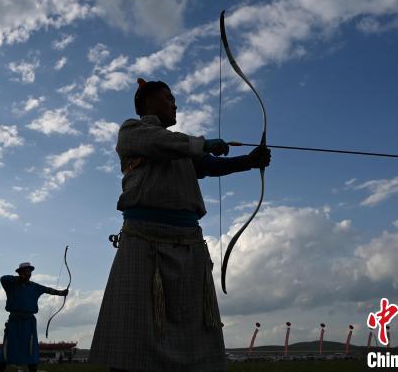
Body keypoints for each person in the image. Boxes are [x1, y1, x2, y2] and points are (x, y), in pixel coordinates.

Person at [90, 78, 271, 372]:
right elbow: (166, 142)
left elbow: (209, 166)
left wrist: (248, 161)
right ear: (148, 102)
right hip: (143, 241)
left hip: (187, 243)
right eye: (169, 98)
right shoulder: (132, 131)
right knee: (135, 330)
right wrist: (202, 143)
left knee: (193, 328)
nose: (175, 104)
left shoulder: (182, 149)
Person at [0, 262, 68, 372]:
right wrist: (19, 279)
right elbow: (3, 278)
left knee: (30, 347)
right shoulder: (11, 284)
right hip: (14, 322)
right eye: (25, 271)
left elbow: (47, 289)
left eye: (29, 271)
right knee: (9, 347)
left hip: (28, 323)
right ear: (20, 272)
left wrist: (61, 293)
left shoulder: (34, 286)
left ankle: (32, 370)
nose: (28, 273)